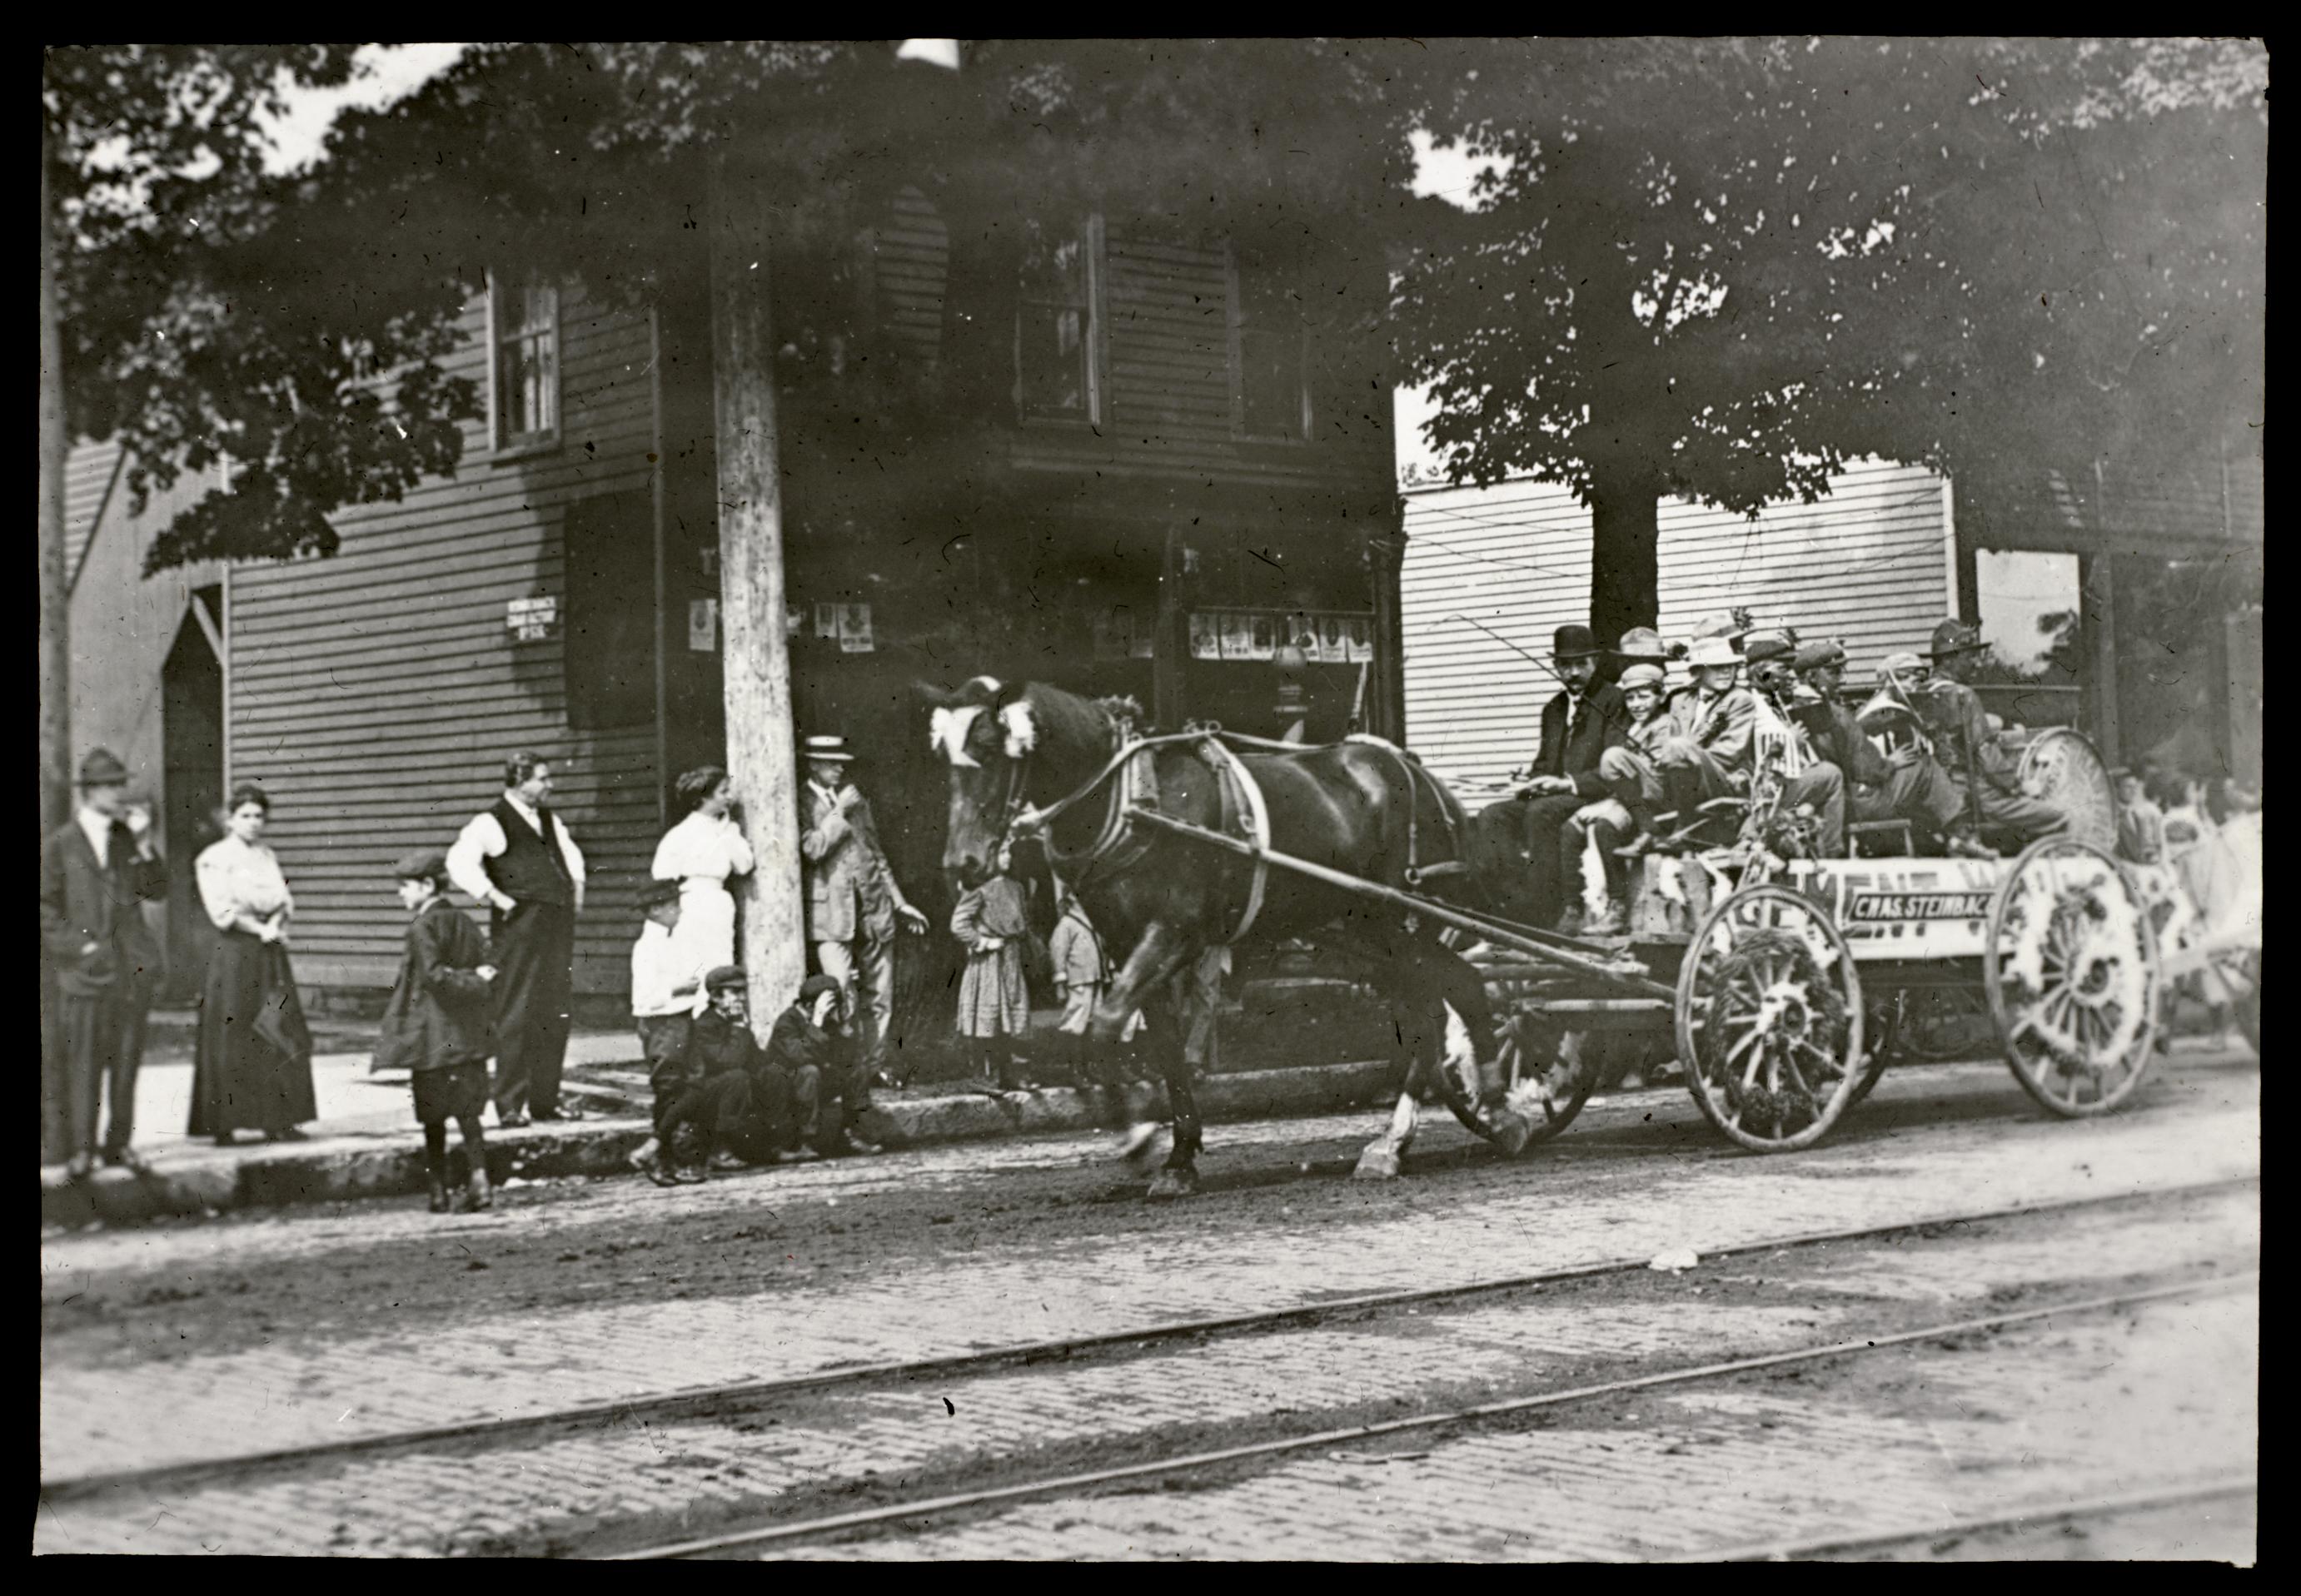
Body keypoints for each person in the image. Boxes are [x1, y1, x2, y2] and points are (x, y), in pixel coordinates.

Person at [41, 748, 170, 1179]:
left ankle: (120, 1145)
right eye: (111, 786)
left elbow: (157, 890)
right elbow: (45, 907)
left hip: (130, 971)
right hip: (85, 974)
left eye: (120, 784)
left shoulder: (128, 838)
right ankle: (82, 1149)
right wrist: (80, 949)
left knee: (127, 1061)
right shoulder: (60, 845)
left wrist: (145, 842)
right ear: (89, 792)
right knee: (84, 1063)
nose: (119, 793)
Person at [448, 752, 587, 1126]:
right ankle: (510, 1106)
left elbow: (572, 861)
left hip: (555, 924)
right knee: (516, 1012)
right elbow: (459, 862)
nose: (549, 785)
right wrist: (495, 896)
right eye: (542, 779)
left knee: (554, 1011)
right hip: (519, 927)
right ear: (519, 780)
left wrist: (576, 897)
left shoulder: (549, 820)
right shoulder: (490, 823)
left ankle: (546, 1101)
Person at [189, 783, 317, 1146]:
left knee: (278, 1027)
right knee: (234, 1029)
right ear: (230, 820)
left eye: (259, 816)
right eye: (245, 816)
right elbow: (223, 911)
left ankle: (279, 1119)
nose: (253, 823)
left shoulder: (267, 856)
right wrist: (259, 928)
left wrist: (274, 926)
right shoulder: (214, 857)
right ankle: (225, 1123)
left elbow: (282, 899)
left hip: (269, 951)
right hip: (234, 953)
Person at [799, 733, 929, 1088]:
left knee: (880, 995)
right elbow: (812, 849)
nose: (840, 768)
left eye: (842, 762)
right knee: (840, 993)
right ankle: (846, 1070)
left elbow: (877, 854)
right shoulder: (800, 801)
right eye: (831, 762)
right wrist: (838, 812)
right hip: (831, 916)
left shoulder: (858, 802)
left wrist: (899, 902)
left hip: (874, 910)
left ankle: (876, 1065)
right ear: (814, 765)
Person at [374, 850, 499, 1215]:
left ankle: (438, 1190)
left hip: (432, 1040)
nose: (401, 894)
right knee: (469, 1114)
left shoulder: (421, 927)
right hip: (467, 1037)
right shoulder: (464, 921)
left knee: (433, 1117)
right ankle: (480, 1180)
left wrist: (470, 980)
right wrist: (479, 979)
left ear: (427, 885)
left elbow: (433, 977)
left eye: (405, 887)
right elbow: (490, 963)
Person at [1511, 624, 1630, 930]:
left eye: (1581, 664)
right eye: (1566, 665)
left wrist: (1568, 784)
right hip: (1555, 795)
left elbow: (1615, 766)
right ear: (1556, 667)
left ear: (1595, 663)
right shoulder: (1553, 709)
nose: (1573, 672)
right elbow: (1543, 765)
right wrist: (1529, 780)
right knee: (1492, 816)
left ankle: (1547, 913)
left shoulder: (1613, 700)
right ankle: (1505, 904)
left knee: (1541, 813)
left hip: (1594, 795)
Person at [1916, 620, 2067, 848]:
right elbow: (1987, 755)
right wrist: (2017, 785)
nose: (1976, 663)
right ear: (1948, 659)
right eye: (1968, 657)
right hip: (1976, 792)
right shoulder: (1963, 696)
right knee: (2058, 816)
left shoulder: (1921, 694)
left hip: (1937, 791)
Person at [1604, 634, 1759, 855]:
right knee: (1613, 758)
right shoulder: (1680, 700)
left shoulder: (1740, 699)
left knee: (1678, 747)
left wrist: (1683, 751)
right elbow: (1669, 743)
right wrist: (1660, 762)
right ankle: (1650, 829)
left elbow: (1729, 753)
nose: (1727, 672)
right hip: (1679, 781)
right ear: (1697, 672)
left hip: (1720, 779)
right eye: (1717, 667)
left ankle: (1684, 828)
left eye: (1730, 666)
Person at [1567, 661, 1673, 931]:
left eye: (1644, 696)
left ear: (1661, 696)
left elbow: (1654, 775)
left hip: (1657, 801)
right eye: (1630, 697)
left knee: (1610, 761)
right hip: (1633, 800)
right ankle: (1597, 907)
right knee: (1590, 827)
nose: (1637, 704)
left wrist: (1613, 802)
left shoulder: (1666, 726)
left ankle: (1649, 830)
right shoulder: (1632, 728)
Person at [650, 765, 755, 1006]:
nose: (730, 797)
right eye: (723, 792)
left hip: (718, 902)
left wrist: (729, 830)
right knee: (694, 964)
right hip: (690, 904)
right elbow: (662, 877)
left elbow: (744, 865)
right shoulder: (679, 834)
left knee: (720, 962)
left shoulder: (727, 830)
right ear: (704, 797)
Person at [1739, 632, 1849, 858]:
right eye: (1784, 669)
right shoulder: (1752, 705)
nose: (1792, 676)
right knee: (1832, 775)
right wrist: (1791, 741)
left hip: (1779, 785)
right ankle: (1831, 853)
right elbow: (1757, 754)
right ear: (1763, 673)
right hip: (1764, 793)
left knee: (1824, 769)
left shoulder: (1773, 702)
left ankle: (1816, 848)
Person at [626, 878, 703, 1186]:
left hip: (681, 1019)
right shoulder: (647, 946)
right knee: (670, 1089)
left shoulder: (673, 940)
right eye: (673, 906)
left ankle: (658, 1149)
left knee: (694, 1085)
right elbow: (644, 996)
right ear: (656, 910)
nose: (679, 911)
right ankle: (661, 1156)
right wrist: (679, 986)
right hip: (662, 1023)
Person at [951, 845, 1033, 1091]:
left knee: (1014, 1019)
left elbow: (1023, 922)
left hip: (1011, 960)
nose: (1008, 857)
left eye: (1010, 851)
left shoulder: (1016, 888)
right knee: (987, 1020)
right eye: (1002, 852)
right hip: (989, 962)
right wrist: (983, 942)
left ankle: (1012, 1075)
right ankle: (984, 1077)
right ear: (990, 856)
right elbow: (958, 924)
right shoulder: (980, 890)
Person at [2115, 768, 2165, 865]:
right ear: (2117, 788)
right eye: (2128, 787)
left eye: (2135, 787)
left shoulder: (2137, 814)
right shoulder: (2114, 814)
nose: (2133, 791)